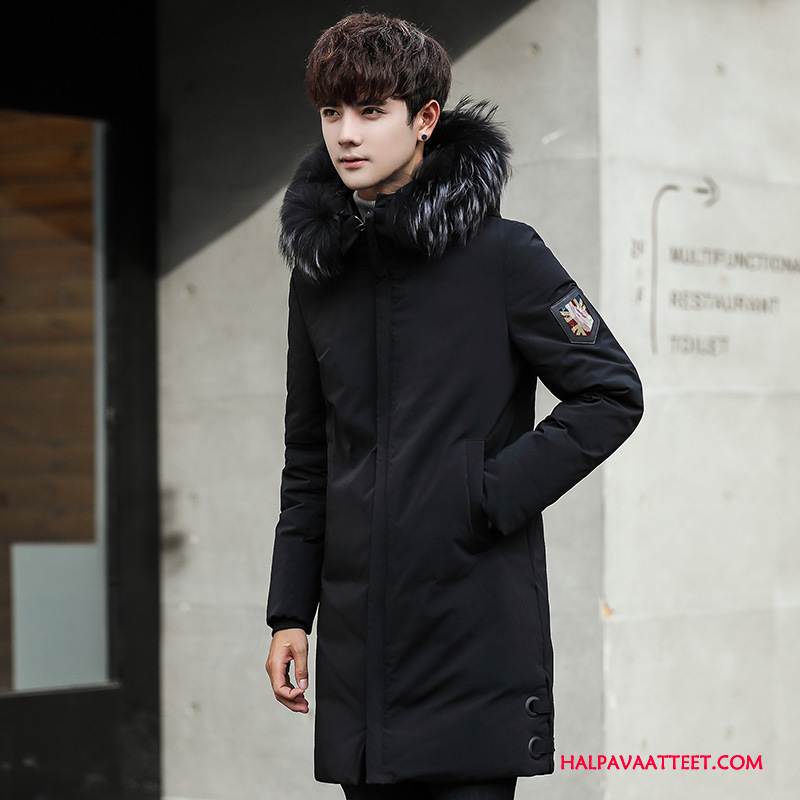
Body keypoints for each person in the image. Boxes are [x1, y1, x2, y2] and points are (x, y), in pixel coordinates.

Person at [265, 11, 644, 799]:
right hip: (356, 656)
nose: (346, 134)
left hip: (471, 638)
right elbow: (309, 456)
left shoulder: (505, 255)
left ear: (425, 118)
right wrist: (289, 613)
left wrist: (484, 495)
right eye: (332, 111)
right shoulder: (319, 278)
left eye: (371, 110)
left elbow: (610, 392)